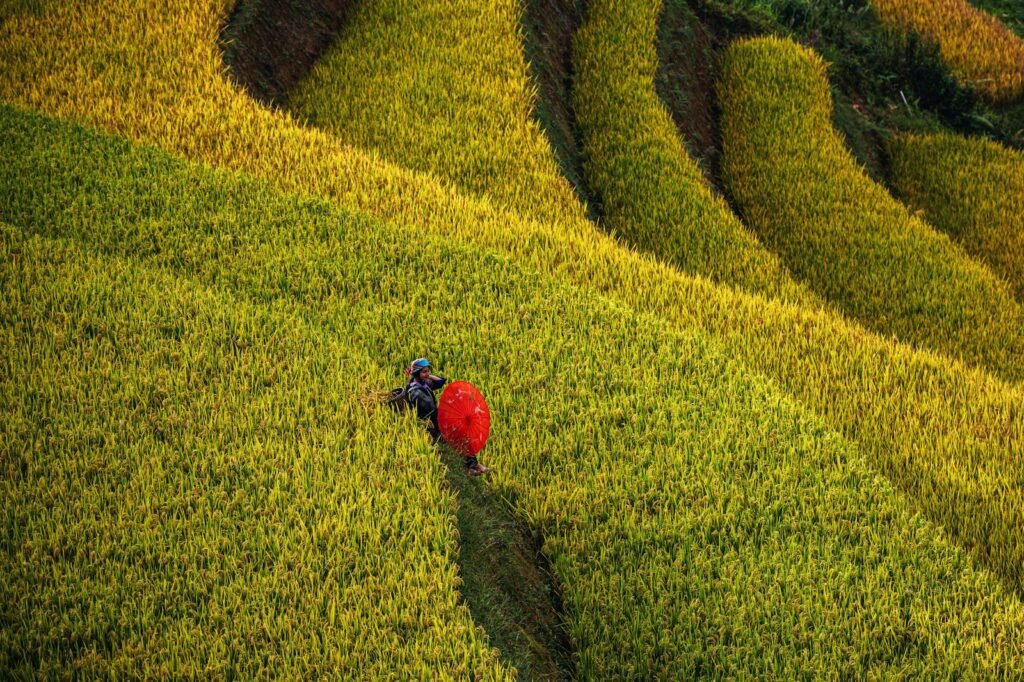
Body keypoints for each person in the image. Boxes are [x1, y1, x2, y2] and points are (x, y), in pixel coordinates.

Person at [405, 358, 489, 476]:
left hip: (435, 420)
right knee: (460, 435)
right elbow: (432, 412)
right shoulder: (417, 392)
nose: (427, 374)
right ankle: (472, 466)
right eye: (424, 372)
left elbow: (440, 382)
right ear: (416, 373)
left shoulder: (422, 383)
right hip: (431, 426)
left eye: (428, 371)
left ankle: (472, 466)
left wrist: (427, 376)